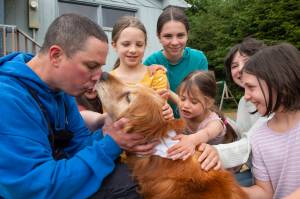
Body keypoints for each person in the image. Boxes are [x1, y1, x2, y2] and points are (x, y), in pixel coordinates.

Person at [0, 13, 156, 199]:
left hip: (56, 179)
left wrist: (108, 134)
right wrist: (112, 144)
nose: (98, 76)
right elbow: (35, 188)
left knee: (142, 177)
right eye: (91, 66)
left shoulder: (61, 89)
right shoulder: (8, 98)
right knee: (132, 186)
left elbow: (79, 146)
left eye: (100, 67)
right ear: (56, 55)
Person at [242, 43, 300, 199]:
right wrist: (227, 190)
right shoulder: (258, 136)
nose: (246, 96)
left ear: (280, 84)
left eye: (251, 87)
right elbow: (265, 192)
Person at [211, 38, 268, 186]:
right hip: (254, 171)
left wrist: (212, 153)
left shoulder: (274, 100)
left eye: (247, 61)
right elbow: (243, 136)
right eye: (234, 65)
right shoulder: (243, 101)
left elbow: (252, 141)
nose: (240, 69)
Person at [144, 6, 208, 117]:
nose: (174, 42)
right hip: (162, 126)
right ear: (158, 36)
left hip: (194, 125)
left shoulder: (199, 59)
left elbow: (203, 101)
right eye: (168, 36)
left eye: (180, 35)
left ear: (187, 34)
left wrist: (169, 93)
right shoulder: (150, 63)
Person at [167, 71, 237, 162]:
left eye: (194, 102)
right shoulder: (186, 108)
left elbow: (206, 134)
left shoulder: (215, 123)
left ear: (208, 103)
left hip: (221, 162)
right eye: (183, 98)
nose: (185, 105)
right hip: (199, 158)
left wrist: (191, 140)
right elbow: (170, 94)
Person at [110, 16, 168, 94]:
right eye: (126, 44)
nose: (133, 50)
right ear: (114, 45)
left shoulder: (156, 75)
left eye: (139, 45)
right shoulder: (108, 80)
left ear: (145, 45)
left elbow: (160, 105)